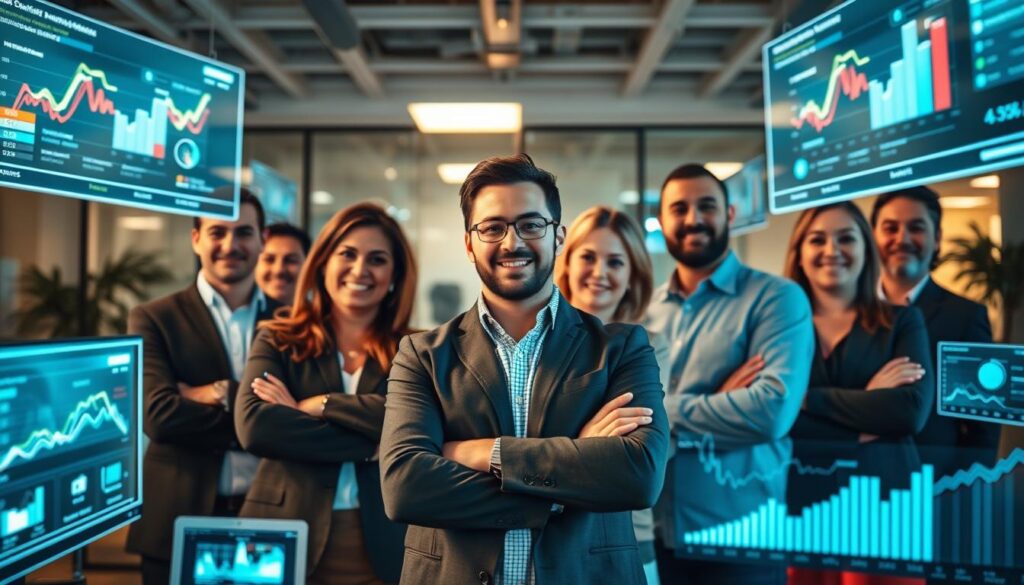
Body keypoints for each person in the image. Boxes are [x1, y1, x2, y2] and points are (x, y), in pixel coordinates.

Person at [380, 154, 669, 584]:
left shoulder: (621, 349)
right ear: (469, 244)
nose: (512, 242)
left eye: (531, 225)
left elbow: (638, 476)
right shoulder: (421, 355)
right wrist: (571, 474)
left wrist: (487, 453)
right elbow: (406, 488)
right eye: (492, 227)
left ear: (558, 237)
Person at [646, 164, 814, 585]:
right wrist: (717, 402)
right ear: (661, 221)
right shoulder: (645, 310)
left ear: (730, 215)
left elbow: (771, 411)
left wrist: (658, 413)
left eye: (707, 206)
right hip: (656, 534)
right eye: (679, 209)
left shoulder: (777, 299)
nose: (693, 219)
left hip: (742, 539)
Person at [236, 203, 411, 584]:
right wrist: (372, 445)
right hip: (281, 534)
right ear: (323, 263)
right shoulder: (278, 338)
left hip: (386, 542)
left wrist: (321, 405)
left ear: (395, 275)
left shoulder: (416, 349)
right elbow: (257, 428)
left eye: (377, 259)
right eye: (347, 254)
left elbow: (418, 424)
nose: (360, 270)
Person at [126, 189, 280, 585]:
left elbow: (304, 422)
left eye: (244, 232)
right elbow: (158, 417)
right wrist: (262, 422)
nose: (230, 245)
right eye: (217, 232)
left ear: (262, 239)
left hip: (268, 516)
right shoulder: (154, 318)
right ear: (196, 238)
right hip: (177, 517)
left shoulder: (291, 321)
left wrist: (219, 393)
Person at [784, 202, 933, 585]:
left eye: (846, 238)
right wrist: (867, 405)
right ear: (799, 252)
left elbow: (908, 412)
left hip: (886, 505)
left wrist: (808, 399)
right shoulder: (778, 329)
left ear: (866, 248)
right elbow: (774, 421)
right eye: (817, 239)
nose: (832, 250)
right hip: (803, 506)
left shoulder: (902, 320)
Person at [555, 205, 662, 585]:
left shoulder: (652, 348)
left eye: (615, 262)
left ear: (632, 276)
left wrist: (554, 448)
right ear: (567, 263)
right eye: (588, 257)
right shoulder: (535, 344)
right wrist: (585, 444)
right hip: (546, 537)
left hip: (629, 540)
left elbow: (636, 458)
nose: (599, 272)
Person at [869, 186, 997, 476]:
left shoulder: (966, 317)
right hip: (853, 481)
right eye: (890, 228)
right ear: (873, 235)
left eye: (916, 228)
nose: (902, 239)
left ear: (937, 238)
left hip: (933, 484)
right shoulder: (848, 312)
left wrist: (961, 493)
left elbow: (982, 430)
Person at [256, 222, 311, 305]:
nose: (278, 270)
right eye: (269, 260)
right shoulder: (237, 312)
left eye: (291, 260)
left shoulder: (324, 313)